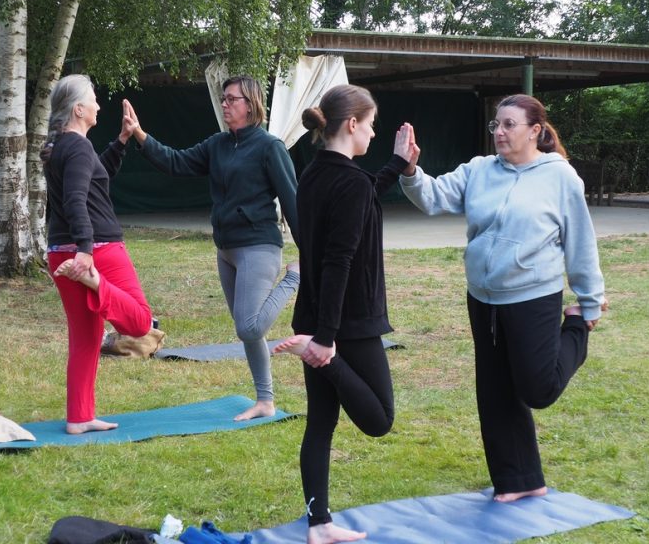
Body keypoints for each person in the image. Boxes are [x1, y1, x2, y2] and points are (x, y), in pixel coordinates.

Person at [399, 93, 608, 502]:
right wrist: (410, 169)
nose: (499, 132)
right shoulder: (479, 170)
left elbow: (581, 241)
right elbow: (433, 197)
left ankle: (577, 331)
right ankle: (519, 480)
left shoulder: (560, 177)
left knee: (537, 389)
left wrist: (589, 300)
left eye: (509, 124)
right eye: (496, 124)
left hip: (534, 295)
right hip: (483, 297)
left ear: (535, 131)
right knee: (495, 393)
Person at [273, 84, 419, 544]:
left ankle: (319, 527)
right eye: (371, 125)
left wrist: (397, 165)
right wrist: (327, 344)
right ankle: (326, 359)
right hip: (347, 323)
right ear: (352, 124)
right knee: (379, 420)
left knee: (321, 422)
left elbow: (361, 200)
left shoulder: (315, 172)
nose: (374, 135)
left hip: (317, 316)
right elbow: (340, 261)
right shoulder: (349, 181)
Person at [124, 76, 300, 421]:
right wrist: (140, 136)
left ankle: (294, 279)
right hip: (227, 249)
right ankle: (266, 401)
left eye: (231, 99)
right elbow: (176, 162)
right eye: (223, 99)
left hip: (259, 246)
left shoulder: (269, 147)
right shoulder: (218, 144)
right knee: (247, 330)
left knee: (248, 328)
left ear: (250, 104)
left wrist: (307, 254)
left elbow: (293, 201)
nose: (224, 105)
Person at [41, 74, 162, 435]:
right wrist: (86, 253)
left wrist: (122, 141)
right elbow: (78, 199)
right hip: (98, 251)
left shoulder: (62, 146)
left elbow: (94, 180)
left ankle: (79, 418)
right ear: (78, 110)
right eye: (93, 99)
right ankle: (96, 284)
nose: (99, 105)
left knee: (86, 339)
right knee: (141, 323)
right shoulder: (76, 148)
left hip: (60, 253)